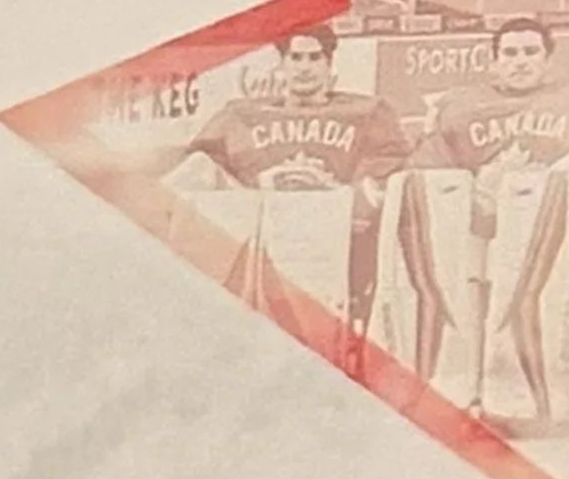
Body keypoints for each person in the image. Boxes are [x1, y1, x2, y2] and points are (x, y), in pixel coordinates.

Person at [412, 11, 569, 430]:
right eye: (509, 53)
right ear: (493, 61)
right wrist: (474, 187)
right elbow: (426, 172)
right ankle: (460, 388)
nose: (520, 61)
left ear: (548, 60)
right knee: (454, 271)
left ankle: (538, 397)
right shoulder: (461, 105)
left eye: (531, 52)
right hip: (479, 226)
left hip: (553, 231)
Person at [172, 22, 413, 328]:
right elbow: (202, 165)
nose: (304, 68)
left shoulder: (367, 113)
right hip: (261, 246)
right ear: (282, 65)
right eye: (296, 58)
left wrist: (341, 194)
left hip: (333, 244)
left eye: (314, 58)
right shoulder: (241, 116)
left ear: (329, 64)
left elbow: (390, 169)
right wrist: (254, 188)